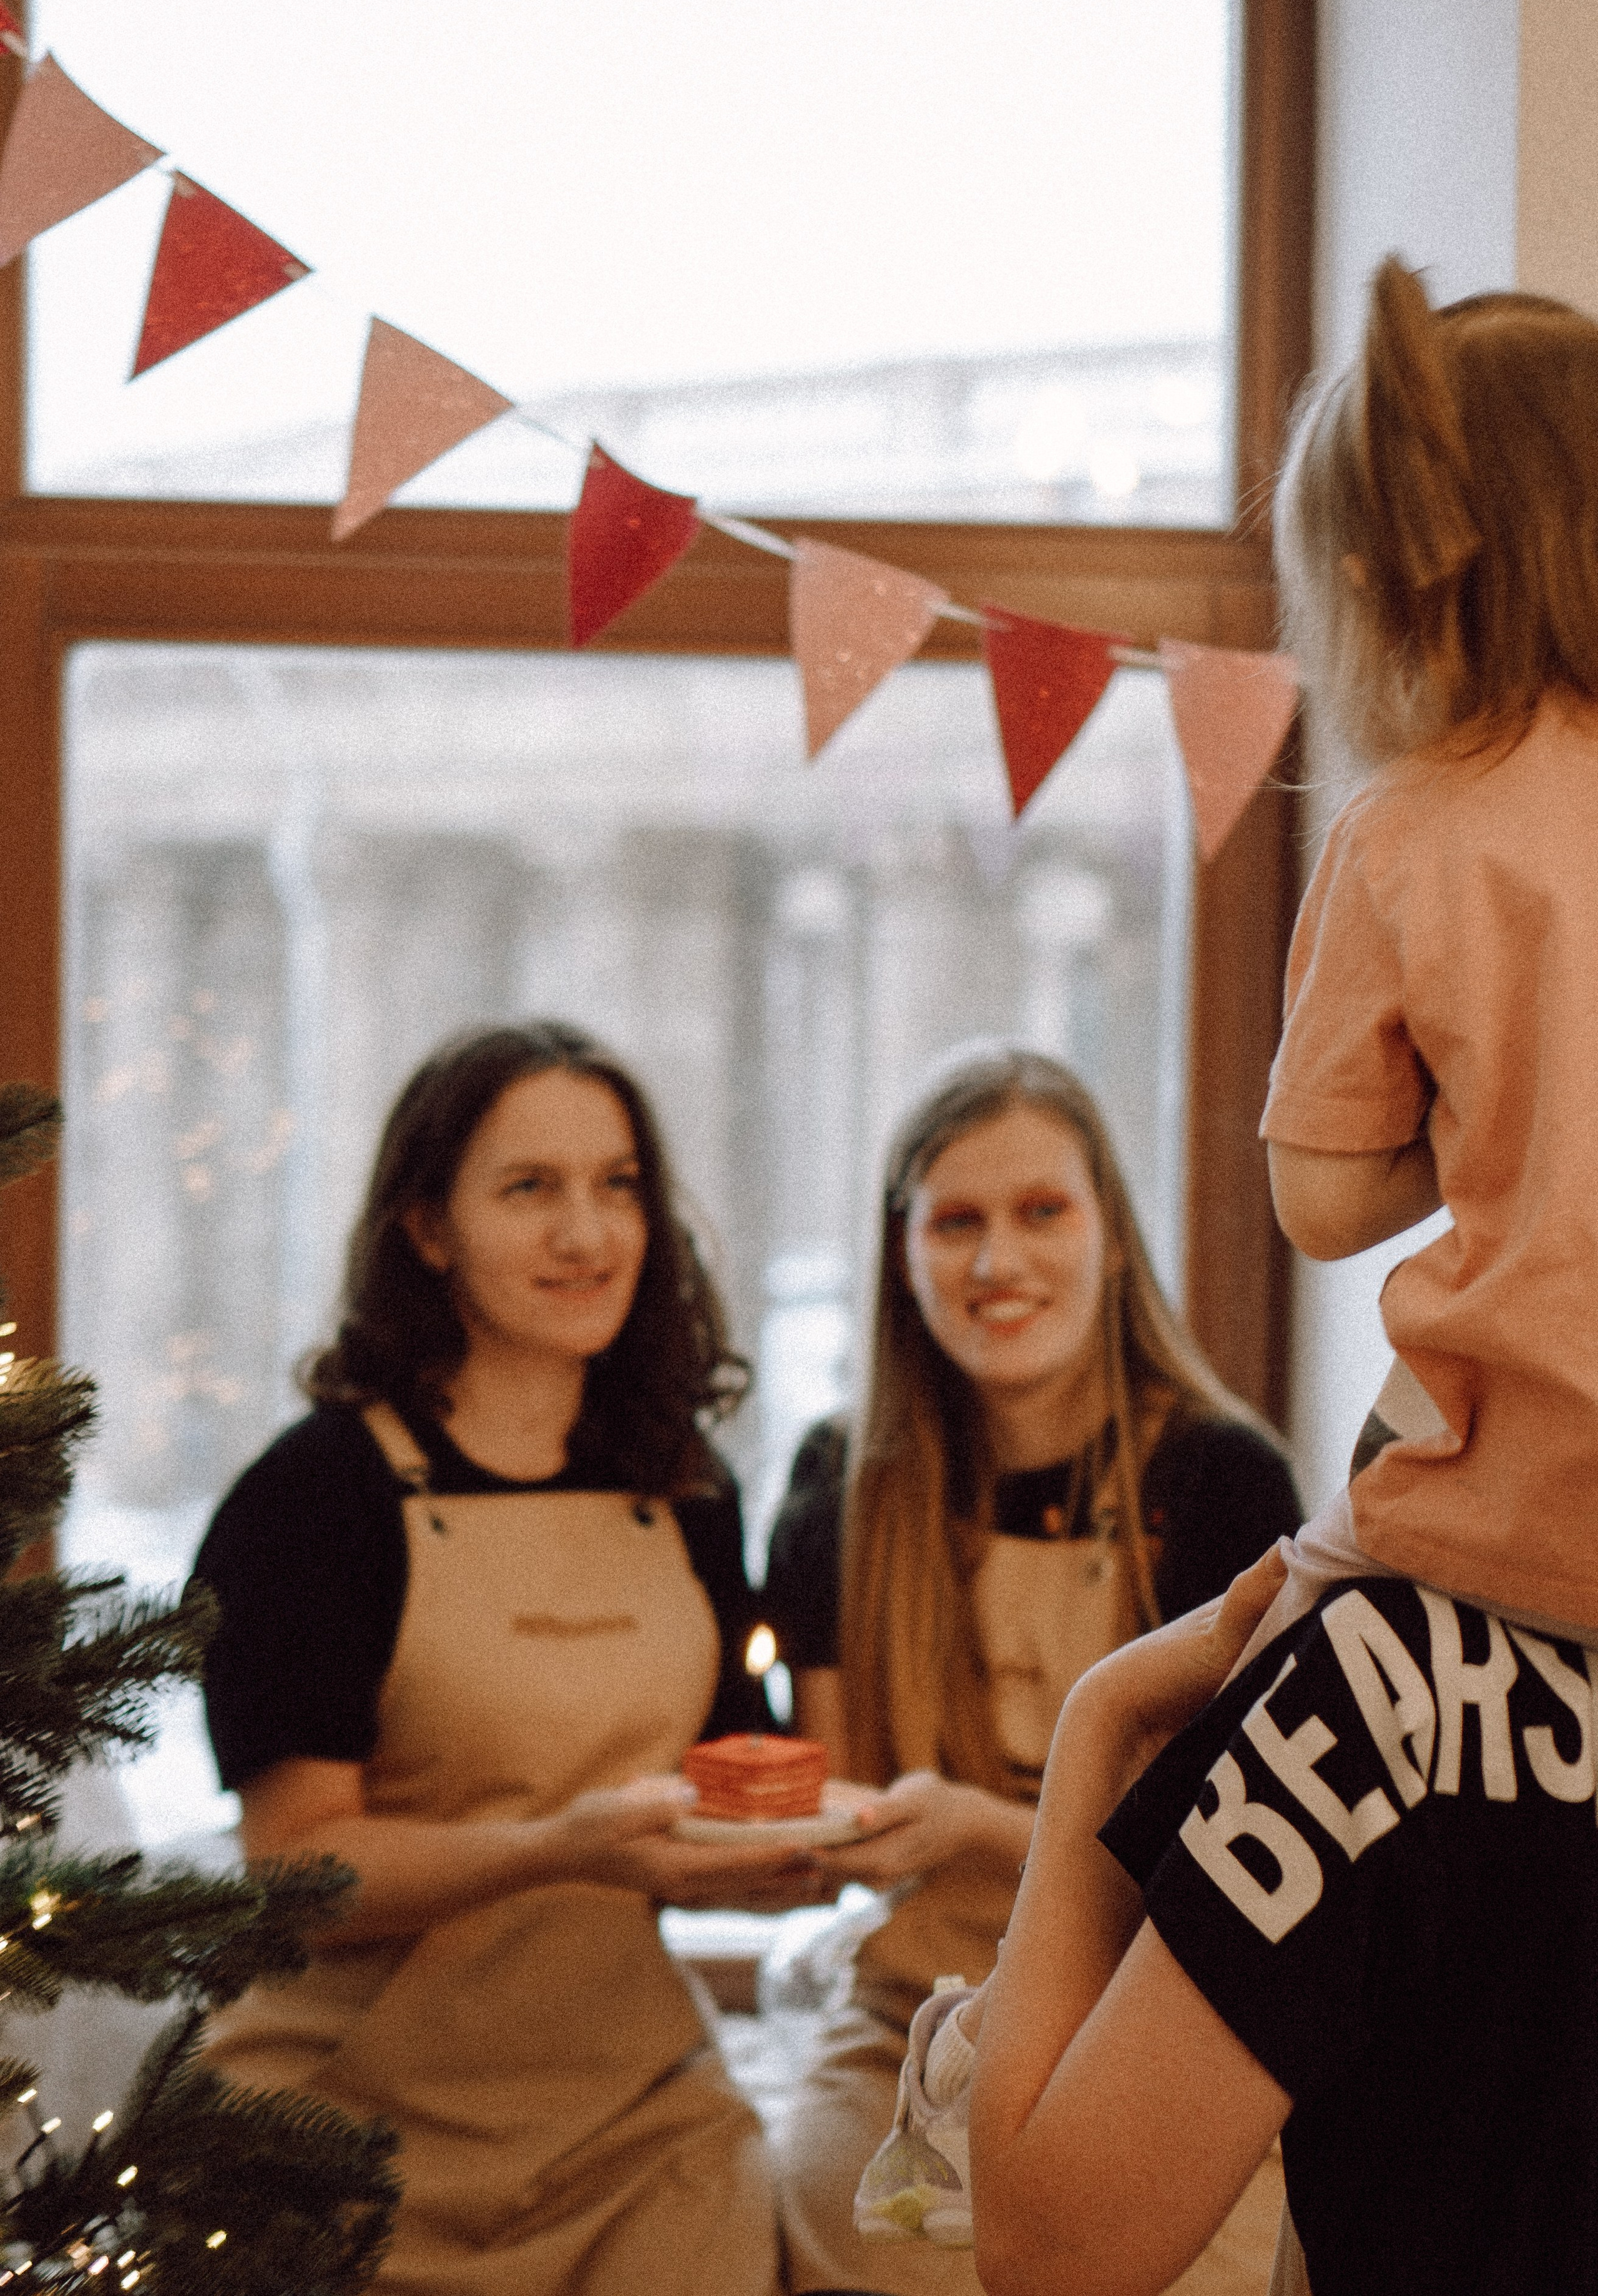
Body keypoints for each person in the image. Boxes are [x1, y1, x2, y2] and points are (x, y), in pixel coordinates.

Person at [923, 258, 1598, 2296]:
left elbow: (1058, 2244)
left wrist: (1096, 1759)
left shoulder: (1386, 1692)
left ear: (1401, 583)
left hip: (1492, 1552)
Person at [192, 1021, 823, 2296]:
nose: (586, 1236)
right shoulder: (316, 1495)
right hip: (339, 2120)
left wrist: (780, 1865)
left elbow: (701, 1808)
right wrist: (564, 1846)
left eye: (617, 1186)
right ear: (427, 1228)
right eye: (529, 1189)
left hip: (628, 2122)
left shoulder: (688, 1491)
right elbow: (297, 1868)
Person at [762, 1043, 1301, 2295]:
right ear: (900, 1254)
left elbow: (1236, 1871)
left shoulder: (1223, 1483)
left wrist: (967, 1829)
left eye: (1040, 1212)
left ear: (1111, 1234)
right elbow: (838, 1807)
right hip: (905, 2026)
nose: (996, 1263)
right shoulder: (836, 1496)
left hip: (1164, 2034)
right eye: (955, 1222)